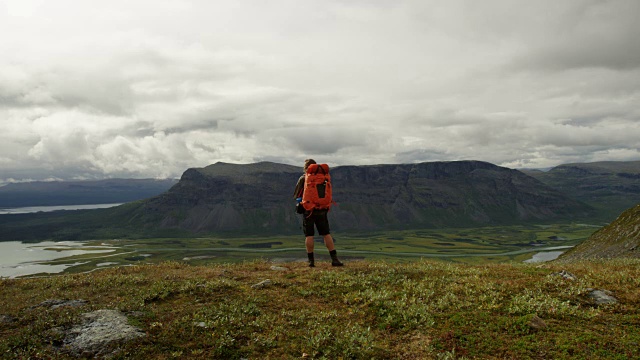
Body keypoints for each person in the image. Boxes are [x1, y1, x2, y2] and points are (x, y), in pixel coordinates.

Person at [293, 158, 343, 267]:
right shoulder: (323, 178)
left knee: (309, 235)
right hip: (322, 210)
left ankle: (311, 262)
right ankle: (335, 260)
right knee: (326, 234)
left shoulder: (304, 178)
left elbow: (297, 195)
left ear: (306, 168)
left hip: (309, 211)